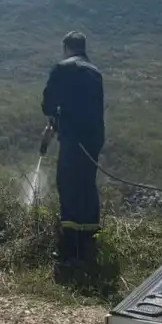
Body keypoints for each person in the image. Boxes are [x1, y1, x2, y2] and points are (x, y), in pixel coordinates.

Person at [41, 30, 105, 279]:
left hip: (73, 139)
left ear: (66, 48)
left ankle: (69, 249)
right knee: (87, 186)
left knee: (67, 185)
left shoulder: (62, 68)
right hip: (94, 140)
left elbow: (48, 103)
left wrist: (53, 116)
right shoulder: (95, 71)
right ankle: (89, 244)